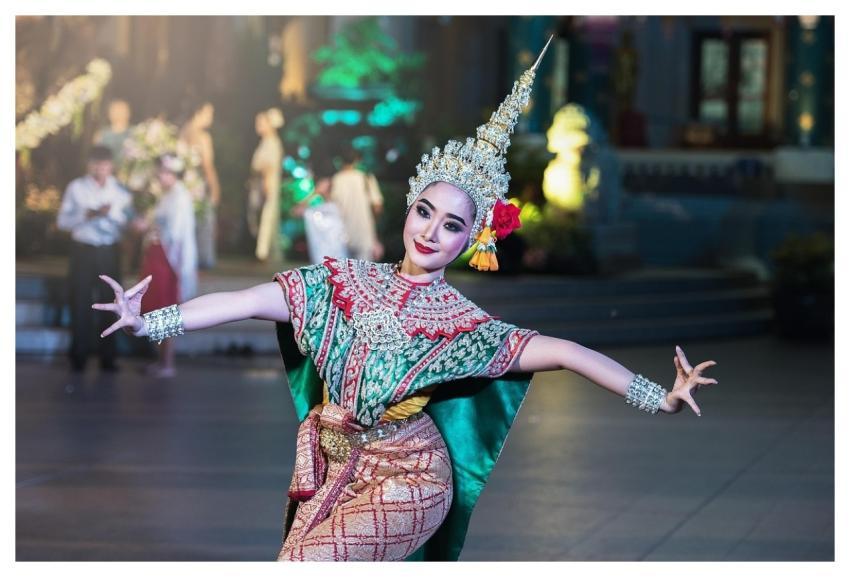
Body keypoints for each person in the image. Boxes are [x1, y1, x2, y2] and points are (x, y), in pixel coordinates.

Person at [93, 38, 718, 561]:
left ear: (472, 240)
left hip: (412, 478)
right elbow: (250, 300)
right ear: (409, 208)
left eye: (451, 225)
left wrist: (657, 398)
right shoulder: (342, 283)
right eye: (425, 211)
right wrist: (151, 321)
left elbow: (565, 352)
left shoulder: (464, 327)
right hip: (337, 462)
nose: (429, 231)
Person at [57, 145, 132, 373]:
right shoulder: (76, 188)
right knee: (80, 301)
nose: (101, 169)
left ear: (111, 166)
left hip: (108, 250)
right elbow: (62, 222)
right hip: (83, 250)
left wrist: (111, 214)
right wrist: (84, 215)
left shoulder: (120, 191)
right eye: (97, 164)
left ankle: (108, 358)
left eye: (105, 165)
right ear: (90, 165)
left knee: (111, 302)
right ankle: (78, 356)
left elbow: (129, 222)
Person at [134, 154, 198, 378]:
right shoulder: (169, 195)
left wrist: (150, 227)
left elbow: (176, 232)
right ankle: (161, 360)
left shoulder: (179, 196)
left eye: (162, 172)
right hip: (158, 254)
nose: (159, 176)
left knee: (166, 305)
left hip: (166, 258)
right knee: (156, 305)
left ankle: (167, 362)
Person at [179, 101, 220, 269]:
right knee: (203, 224)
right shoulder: (203, 137)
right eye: (209, 113)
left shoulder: (182, 132)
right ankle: (202, 263)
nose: (211, 118)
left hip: (182, 186)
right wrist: (216, 188)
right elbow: (207, 165)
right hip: (197, 186)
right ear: (198, 112)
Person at [329, 147, 384, 261]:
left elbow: (331, 207)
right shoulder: (366, 178)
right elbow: (377, 207)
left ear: (341, 161)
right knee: (363, 275)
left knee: (343, 274)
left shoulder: (336, 179)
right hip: (364, 235)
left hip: (341, 235)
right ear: (357, 160)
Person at [291, 161, 348, 264]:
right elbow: (296, 211)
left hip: (339, 258)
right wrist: (315, 193)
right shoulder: (318, 209)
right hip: (325, 262)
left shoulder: (337, 207)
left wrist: (315, 193)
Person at [248, 107, 285, 262]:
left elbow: (269, 167)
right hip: (260, 183)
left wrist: (267, 185)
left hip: (267, 183)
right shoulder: (265, 142)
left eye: (261, 123)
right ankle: (266, 252)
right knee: (262, 216)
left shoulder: (272, 143)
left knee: (266, 217)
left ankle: (262, 253)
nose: (258, 126)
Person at [93, 99, 132, 169]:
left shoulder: (135, 133)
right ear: (109, 113)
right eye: (115, 110)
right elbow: (95, 158)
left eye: (121, 110)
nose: (118, 113)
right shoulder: (101, 135)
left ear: (128, 113)